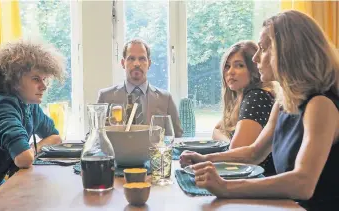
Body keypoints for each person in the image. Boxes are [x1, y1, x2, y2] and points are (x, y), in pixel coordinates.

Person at [180, 10, 339, 210]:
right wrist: (205, 159)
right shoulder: (283, 103)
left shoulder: (320, 105)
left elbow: (303, 183)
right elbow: (254, 153)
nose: (255, 58)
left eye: (263, 49)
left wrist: (226, 187)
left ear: (288, 52)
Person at [0, 40, 66, 189]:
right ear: (13, 79)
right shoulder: (1, 107)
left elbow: (55, 138)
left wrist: (31, 150)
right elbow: (23, 158)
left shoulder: (29, 105)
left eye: (45, 79)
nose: (44, 86)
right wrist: (29, 151)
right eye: (36, 79)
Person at [212, 40, 275, 175]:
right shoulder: (241, 98)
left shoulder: (256, 96)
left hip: (260, 181)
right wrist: (228, 143)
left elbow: (236, 155)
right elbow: (217, 129)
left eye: (239, 65)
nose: (230, 72)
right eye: (227, 66)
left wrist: (227, 144)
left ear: (254, 69)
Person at [97, 39, 183, 137]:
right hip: (118, 152)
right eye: (131, 58)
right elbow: (93, 136)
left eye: (142, 59)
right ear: (122, 63)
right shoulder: (105, 97)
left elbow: (177, 136)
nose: (137, 64)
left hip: (153, 152)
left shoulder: (165, 98)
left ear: (149, 63)